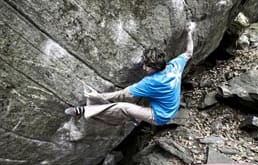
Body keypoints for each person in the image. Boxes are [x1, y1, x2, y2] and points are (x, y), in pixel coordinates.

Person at [65, 22, 196, 125]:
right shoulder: (175, 66)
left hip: (160, 116)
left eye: (148, 66)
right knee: (137, 104)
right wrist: (189, 32)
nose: (144, 68)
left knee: (124, 107)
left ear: (156, 67)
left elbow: (123, 95)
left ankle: (83, 110)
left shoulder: (151, 82)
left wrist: (99, 95)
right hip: (171, 108)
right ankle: (136, 117)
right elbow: (189, 52)